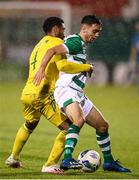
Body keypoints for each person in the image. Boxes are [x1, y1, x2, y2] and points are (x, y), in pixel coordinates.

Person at [33, 15, 131, 173]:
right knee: (78, 120)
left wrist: (85, 67)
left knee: (102, 125)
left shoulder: (81, 44)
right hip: (66, 89)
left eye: (99, 32)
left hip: (77, 92)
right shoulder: (75, 41)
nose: (97, 34)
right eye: (95, 31)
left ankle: (109, 162)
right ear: (84, 28)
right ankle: (67, 159)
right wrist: (41, 69)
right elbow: (52, 50)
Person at [5, 17, 93, 174]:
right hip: (42, 94)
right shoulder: (55, 44)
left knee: (30, 124)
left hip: (27, 92)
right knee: (69, 127)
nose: (64, 33)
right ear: (56, 29)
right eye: (63, 29)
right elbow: (63, 65)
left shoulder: (38, 45)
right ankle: (50, 165)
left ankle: (13, 157)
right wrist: (86, 66)